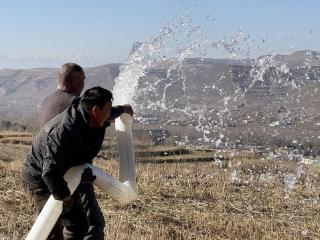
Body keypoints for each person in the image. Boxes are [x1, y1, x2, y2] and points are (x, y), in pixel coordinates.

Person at [22, 86, 133, 239]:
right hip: (40, 179)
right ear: (95, 110)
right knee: (50, 231)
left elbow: (110, 112)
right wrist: (66, 198)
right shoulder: (65, 131)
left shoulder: (95, 116)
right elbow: (50, 172)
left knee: (79, 224)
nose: (109, 115)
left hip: (65, 174)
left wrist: (123, 109)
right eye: (107, 110)